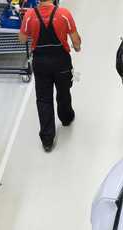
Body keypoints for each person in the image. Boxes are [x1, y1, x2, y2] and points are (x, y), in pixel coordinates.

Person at [18, 0, 82, 152]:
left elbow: (22, 39)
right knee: (63, 91)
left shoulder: (29, 15)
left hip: (40, 63)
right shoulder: (64, 14)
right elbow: (75, 41)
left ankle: (47, 140)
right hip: (61, 62)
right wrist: (77, 47)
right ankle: (66, 118)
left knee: (43, 99)